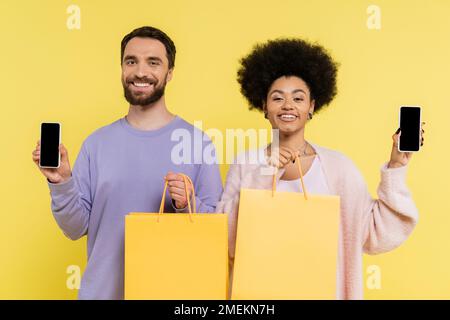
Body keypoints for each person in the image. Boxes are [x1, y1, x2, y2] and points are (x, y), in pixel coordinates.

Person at [217, 38, 424, 299]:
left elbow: (374, 233)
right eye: (277, 98)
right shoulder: (246, 164)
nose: (288, 105)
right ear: (264, 107)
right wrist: (264, 173)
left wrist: (396, 166)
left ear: (312, 106)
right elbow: (227, 239)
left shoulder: (339, 168)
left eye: (298, 98)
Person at [32, 26, 223, 300]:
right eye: (131, 61)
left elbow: (216, 234)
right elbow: (75, 229)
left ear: (170, 73)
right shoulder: (96, 143)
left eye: (153, 62)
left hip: (171, 294)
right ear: (122, 69)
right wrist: (61, 182)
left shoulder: (198, 143)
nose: (140, 72)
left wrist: (188, 205)